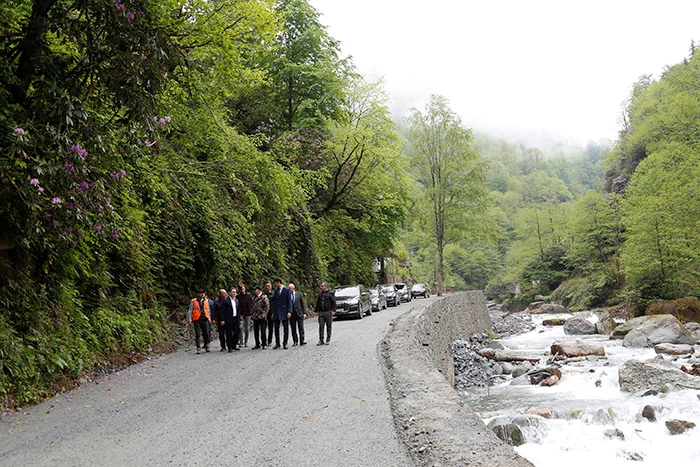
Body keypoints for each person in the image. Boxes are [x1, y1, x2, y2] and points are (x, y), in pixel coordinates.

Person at [188, 288, 212, 354]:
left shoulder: (206, 301)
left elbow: (208, 310)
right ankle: (198, 347)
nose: (202, 294)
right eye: (200, 293)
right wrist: (190, 319)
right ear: (197, 294)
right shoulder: (193, 301)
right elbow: (190, 310)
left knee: (206, 333)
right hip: (197, 319)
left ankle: (206, 345)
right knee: (197, 334)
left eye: (203, 293)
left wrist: (209, 318)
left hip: (205, 319)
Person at [271, 277, 292, 349]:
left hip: (284, 311)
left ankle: (285, 343)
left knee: (285, 328)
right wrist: (273, 312)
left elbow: (289, 301)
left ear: (279, 282)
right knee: (276, 328)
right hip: (277, 311)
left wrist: (289, 311)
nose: (275, 285)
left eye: (275, 283)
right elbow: (274, 302)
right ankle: (277, 343)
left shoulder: (287, 290)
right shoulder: (276, 291)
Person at [250, 285, 269, 349]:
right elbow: (252, 306)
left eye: (255, 290)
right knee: (256, 331)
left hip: (262, 317)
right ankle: (257, 344)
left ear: (259, 290)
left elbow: (267, 307)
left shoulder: (264, 297)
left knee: (263, 331)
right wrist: (252, 314)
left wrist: (263, 315)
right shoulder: (254, 297)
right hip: (255, 316)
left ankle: (264, 343)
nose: (254, 291)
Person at [237, 283, 253, 347]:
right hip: (241, 313)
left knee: (247, 328)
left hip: (247, 313)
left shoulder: (248, 295)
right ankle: (241, 340)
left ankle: (246, 341)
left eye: (243, 289)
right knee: (240, 327)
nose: (242, 290)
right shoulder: (238, 296)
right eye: (241, 289)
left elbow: (251, 303)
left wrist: (251, 311)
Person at [264, 281, 275, 346]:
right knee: (264, 327)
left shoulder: (273, 294)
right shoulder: (264, 294)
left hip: (271, 312)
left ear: (271, 286)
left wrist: (274, 312)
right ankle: (264, 340)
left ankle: (269, 340)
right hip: (264, 312)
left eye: (268, 286)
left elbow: (275, 304)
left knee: (270, 327)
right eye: (266, 286)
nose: (267, 287)